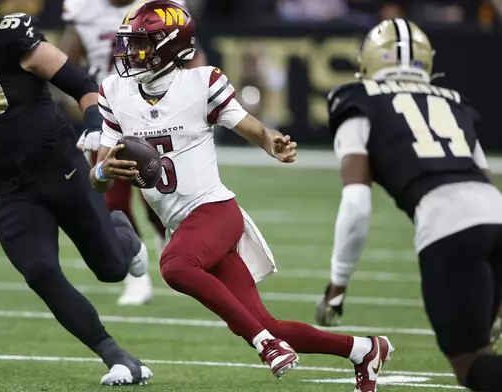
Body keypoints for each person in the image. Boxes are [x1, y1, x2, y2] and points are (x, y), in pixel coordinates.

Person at [83, 1, 394, 389]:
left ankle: (265, 346)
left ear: (170, 46)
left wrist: (271, 142)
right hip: (182, 221)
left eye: (142, 44)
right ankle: (364, 349)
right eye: (130, 44)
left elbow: (248, 125)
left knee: (175, 266)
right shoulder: (114, 91)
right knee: (266, 322)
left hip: (214, 210)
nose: (131, 53)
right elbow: (100, 177)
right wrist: (100, 171)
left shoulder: (201, 82)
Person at [0, 0, 152, 385]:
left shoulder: (15, 38)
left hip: (59, 170)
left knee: (111, 269)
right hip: (5, 187)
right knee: (39, 271)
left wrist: (93, 121)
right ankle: (117, 357)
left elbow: (82, 84)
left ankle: (124, 236)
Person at [319, 18, 502, 391]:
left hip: (448, 227)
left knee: (472, 367)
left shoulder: (354, 98)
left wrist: (337, 284)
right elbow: (483, 177)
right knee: (485, 354)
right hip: (496, 216)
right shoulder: (454, 101)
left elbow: (356, 203)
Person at [60, 0, 207, 306]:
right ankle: (137, 276)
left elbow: (195, 60)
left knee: (160, 199)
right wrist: (88, 118)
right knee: (112, 199)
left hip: (157, 113)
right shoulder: (83, 11)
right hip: (110, 113)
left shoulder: (161, 7)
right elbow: (65, 71)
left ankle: (172, 250)